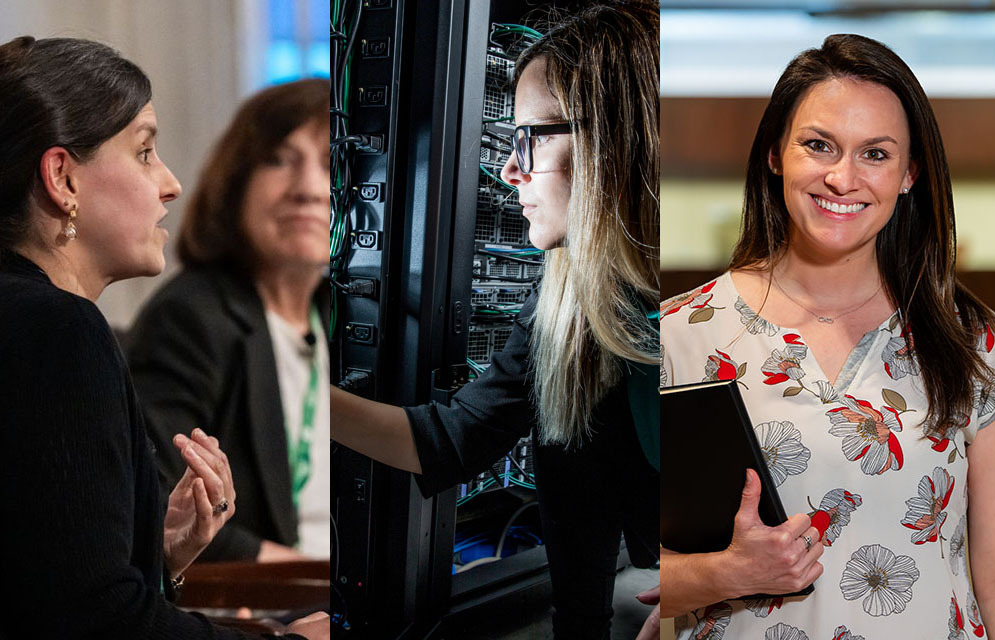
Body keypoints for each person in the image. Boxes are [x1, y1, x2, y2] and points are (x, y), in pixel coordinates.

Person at [332, 2, 659, 638]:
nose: (509, 170)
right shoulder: (567, 304)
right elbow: (459, 438)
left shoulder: (723, 305)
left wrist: (701, 584)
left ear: (613, 142)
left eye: (530, 137)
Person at [660, 34, 995, 639]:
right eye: (818, 146)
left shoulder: (970, 340)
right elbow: (638, 564)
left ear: (909, 176)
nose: (842, 178)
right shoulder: (680, 334)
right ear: (775, 155)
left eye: (875, 154)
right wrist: (726, 573)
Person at [0, 36, 328, 639]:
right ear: (62, 178)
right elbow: (97, 624)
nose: (171, 183)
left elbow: (43, 585)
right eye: (146, 152)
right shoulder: (58, 330)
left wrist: (160, 552)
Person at [126, 79, 330, 563]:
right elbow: (159, 507)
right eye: (280, 159)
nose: (308, 189)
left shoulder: (346, 314)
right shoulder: (192, 316)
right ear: (236, 183)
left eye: (331, 164)